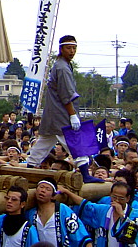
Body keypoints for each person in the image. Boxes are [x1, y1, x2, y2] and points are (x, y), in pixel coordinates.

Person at [27, 36, 103, 183]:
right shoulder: (62, 67)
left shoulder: (61, 65)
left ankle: (28, 169)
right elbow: (66, 94)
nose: (72, 51)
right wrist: (73, 114)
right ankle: (85, 175)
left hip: (53, 112)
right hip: (61, 113)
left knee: (43, 144)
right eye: (69, 48)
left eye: (74, 48)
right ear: (61, 49)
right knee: (76, 144)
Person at [58, 181, 138, 247]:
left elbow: (132, 235)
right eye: (114, 197)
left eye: (121, 198)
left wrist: (122, 215)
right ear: (110, 195)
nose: (117, 200)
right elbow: (85, 204)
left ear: (128, 198)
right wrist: (67, 192)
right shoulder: (103, 210)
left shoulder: (135, 213)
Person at [25, 178, 91, 247]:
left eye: (48, 189)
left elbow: (79, 233)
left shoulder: (62, 209)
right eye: (41, 187)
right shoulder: (31, 213)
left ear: (53, 196)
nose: (43, 190)